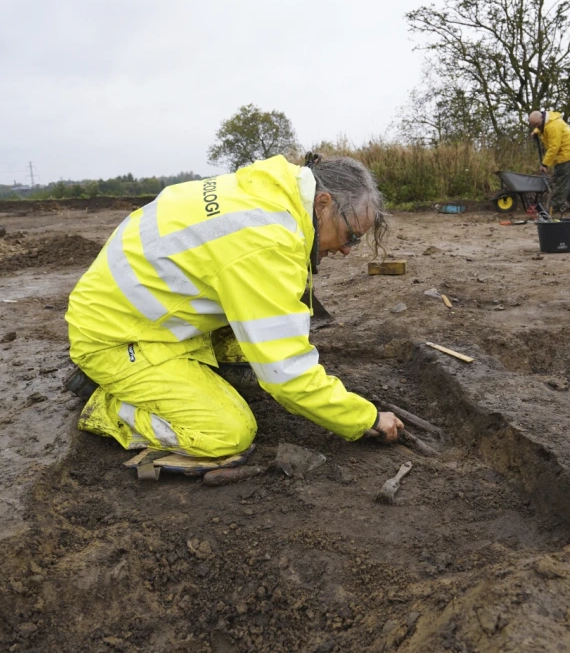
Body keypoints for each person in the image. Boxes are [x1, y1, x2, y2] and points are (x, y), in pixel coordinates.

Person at [64, 153, 404, 459]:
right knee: (228, 434)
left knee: (255, 360)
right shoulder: (265, 241)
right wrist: (366, 418)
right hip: (117, 337)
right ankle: (108, 403)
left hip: (143, 311)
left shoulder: (269, 188)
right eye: (352, 236)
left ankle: (177, 375)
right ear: (323, 203)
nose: (348, 250)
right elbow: (287, 374)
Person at [528, 110, 570, 215]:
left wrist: (545, 164)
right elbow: (542, 127)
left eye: (536, 125)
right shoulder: (546, 120)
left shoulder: (553, 126)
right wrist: (537, 131)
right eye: (533, 125)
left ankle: (554, 208)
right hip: (566, 152)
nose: (536, 126)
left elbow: (554, 147)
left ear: (541, 118)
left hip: (566, 153)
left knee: (560, 181)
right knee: (568, 179)